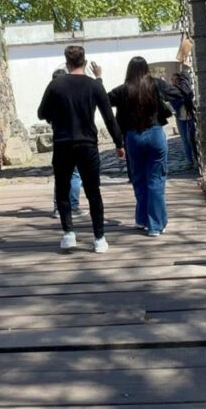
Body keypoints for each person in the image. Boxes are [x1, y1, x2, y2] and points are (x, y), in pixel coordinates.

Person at [37, 44, 124, 253]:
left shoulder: (55, 85)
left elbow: (41, 113)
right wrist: (119, 144)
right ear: (84, 62)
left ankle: (68, 234)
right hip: (87, 144)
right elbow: (109, 118)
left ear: (67, 63)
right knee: (93, 191)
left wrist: (56, 114)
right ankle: (99, 238)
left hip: (63, 143)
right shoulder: (94, 86)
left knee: (63, 190)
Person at [108, 57, 170, 237]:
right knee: (156, 179)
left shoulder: (121, 90)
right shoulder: (156, 84)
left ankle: (142, 219)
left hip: (133, 136)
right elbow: (179, 93)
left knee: (139, 178)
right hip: (155, 133)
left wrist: (98, 79)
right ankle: (156, 225)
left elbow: (102, 99)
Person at [50, 69, 83, 218]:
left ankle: (58, 207)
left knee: (60, 175)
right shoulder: (73, 96)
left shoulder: (51, 97)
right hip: (75, 139)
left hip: (59, 139)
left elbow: (45, 115)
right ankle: (74, 206)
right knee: (75, 175)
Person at [170, 70, 198, 170]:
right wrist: (182, 99)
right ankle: (189, 161)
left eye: (176, 80)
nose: (174, 82)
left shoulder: (186, 89)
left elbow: (191, 97)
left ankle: (196, 160)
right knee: (185, 140)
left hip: (190, 117)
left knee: (192, 139)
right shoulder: (172, 92)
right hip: (180, 119)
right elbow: (175, 106)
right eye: (172, 80)